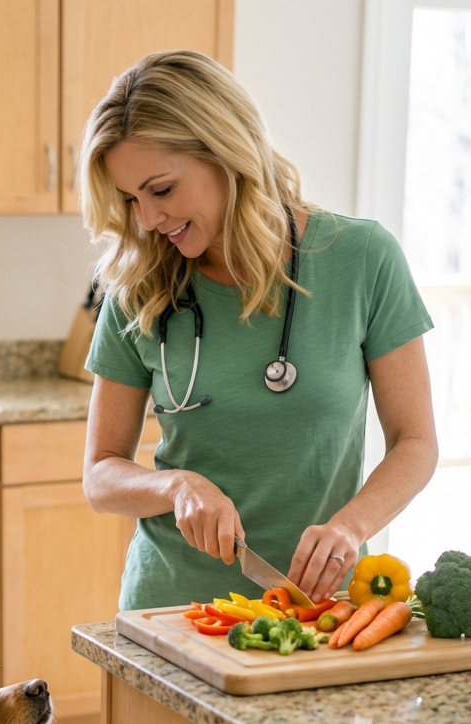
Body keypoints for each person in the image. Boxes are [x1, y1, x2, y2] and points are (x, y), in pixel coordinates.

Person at [79, 50, 438, 609]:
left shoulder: (364, 260)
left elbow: (416, 443)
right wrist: (176, 486)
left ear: (226, 153)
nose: (147, 219)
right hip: (173, 613)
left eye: (162, 190)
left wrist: (350, 527)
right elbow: (101, 475)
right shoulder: (137, 287)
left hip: (319, 611)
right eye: (131, 199)